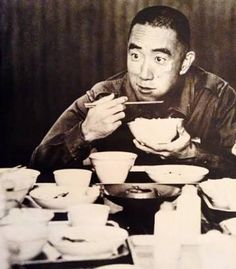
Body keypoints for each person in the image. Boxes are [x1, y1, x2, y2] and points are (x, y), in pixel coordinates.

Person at [30, 5, 236, 177]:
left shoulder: (216, 96)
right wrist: (86, 133)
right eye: (136, 56)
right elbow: (38, 165)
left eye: (159, 59)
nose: (144, 74)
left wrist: (190, 153)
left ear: (185, 63)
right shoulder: (105, 95)